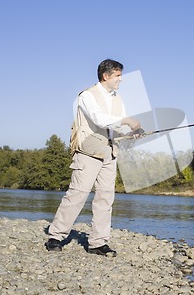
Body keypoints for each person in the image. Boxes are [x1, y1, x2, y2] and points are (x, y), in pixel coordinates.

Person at [45, 59, 142, 256]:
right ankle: (55, 236)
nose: (121, 80)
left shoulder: (117, 99)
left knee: (106, 198)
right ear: (106, 76)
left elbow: (114, 128)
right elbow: (99, 119)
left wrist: (130, 134)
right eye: (118, 75)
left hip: (110, 153)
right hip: (88, 153)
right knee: (77, 194)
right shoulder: (87, 96)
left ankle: (98, 242)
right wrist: (127, 120)